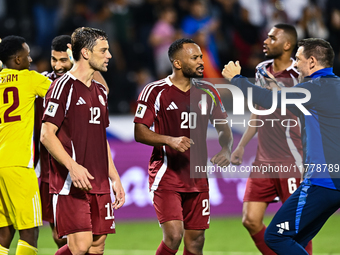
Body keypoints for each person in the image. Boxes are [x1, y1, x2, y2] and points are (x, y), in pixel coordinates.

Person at [222, 38, 340, 255]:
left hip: (321, 182)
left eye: (299, 60)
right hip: (333, 182)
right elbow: (292, 105)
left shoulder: (314, 88)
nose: (295, 65)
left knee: (275, 236)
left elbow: (270, 100)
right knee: (297, 242)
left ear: (312, 62)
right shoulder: (334, 87)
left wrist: (237, 79)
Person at [134, 38, 233, 255]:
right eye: (195, 57)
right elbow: (139, 131)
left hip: (197, 177)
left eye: (201, 57)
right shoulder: (155, 91)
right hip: (166, 175)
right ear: (177, 63)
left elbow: (224, 129)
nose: (201, 62)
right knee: (174, 235)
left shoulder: (208, 91)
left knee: (196, 242)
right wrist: (170, 140)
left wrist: (226, 149)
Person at [40, 27, 125, 255]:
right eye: (104, 50)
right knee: (80, 246)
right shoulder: (62, 87)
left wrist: (114, 177)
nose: (109, 55)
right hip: (72, 182)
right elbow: (47, 134)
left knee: (97, 247)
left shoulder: (100, 90)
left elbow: (100, 138)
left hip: (99, 182)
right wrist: (73, 167)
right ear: (86, 53)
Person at [230, 24, 312, 254]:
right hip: (263, 161)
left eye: (272, 38)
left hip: (292, 159)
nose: (265, 41)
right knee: (250, 220)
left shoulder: (301, 74)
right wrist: (241, 145)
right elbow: (260, 109)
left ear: (287, 45)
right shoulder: (262, 69)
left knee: (297, 227)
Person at [0, 35, 51, 255]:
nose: (31, 60)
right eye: (27, 55)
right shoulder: (29, 79)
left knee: (3, 232)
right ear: (18, 60)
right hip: (19, 164)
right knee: (30, 231)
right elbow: (64, 92)